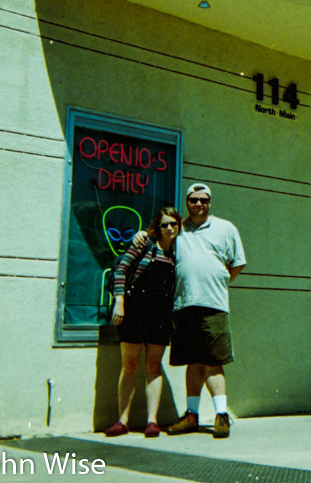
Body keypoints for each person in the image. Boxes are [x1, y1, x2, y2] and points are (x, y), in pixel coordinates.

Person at [133, 183, 246, 438]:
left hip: (214, 304)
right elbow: (157, 236)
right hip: (183, 305)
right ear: (187, 202)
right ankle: (192, 416)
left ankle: (221, 416)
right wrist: (140, 234)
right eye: (193, 200)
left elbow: (237, 264)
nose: (198, 204)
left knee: (213, 362)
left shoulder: (225, 228)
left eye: (203, 200)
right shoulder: (177, 228)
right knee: (192, 362)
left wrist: (217, 281)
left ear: (210, 202)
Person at [105, 207, 181, 438]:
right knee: (129, 366)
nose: (169, 228)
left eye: (173, 224)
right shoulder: (145, 244)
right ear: (157, 228)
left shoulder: (180, 253)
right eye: (164, 224)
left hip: (160, 316)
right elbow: (121, 269)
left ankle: (152, 421)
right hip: (134, 311)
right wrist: (119, 301)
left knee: (153, 367)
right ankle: (122, 421)